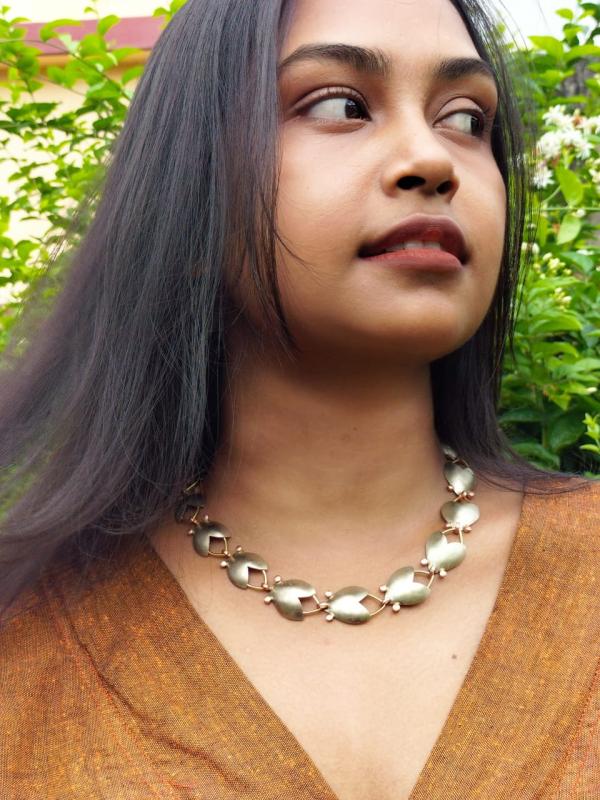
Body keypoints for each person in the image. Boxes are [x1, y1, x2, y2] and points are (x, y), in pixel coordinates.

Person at [0, 0, 598, 798]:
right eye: (340, 105)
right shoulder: (27, 637)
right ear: (191, 192)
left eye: (466, 119)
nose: (432, 159)